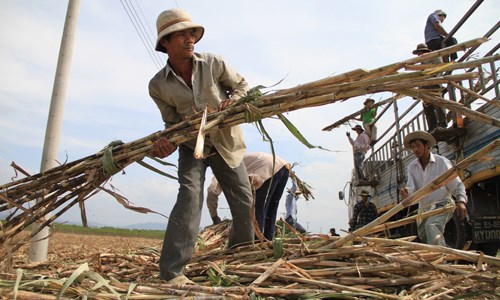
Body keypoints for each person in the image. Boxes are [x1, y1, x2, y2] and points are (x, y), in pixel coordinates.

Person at [149, 8, 254, 284]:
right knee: (189, 197)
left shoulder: (213, 63)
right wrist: (166, 143)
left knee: (243, 200)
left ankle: (238, 260)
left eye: (191, 33)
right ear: (165, 43)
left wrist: (235, 101)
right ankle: (172, 273)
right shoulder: (157, 85)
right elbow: (171, 124)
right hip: (190, 146)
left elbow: (242, 85)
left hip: (224, 141)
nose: (189, 39)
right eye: (181, 35)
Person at [400, 131, 467, 246]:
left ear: (427, 146)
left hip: (442, 205)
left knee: (431, 226)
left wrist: (461, 202)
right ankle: (438, 257)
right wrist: (407, 193)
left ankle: (442, 261)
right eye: (413, 147)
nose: (415, 149)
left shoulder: (442, 162)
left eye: (418, 146)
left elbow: (456, 184)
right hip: (424, 209)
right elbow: (411, 188)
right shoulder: (412, 167)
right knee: (424, 235)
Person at [206, 152, 291, 240]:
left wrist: (214, 216)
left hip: (268, 166)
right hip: (283, 166)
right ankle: (268, 240)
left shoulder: (222, 168)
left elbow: (212, 191)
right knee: (272, 208)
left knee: (258, 207)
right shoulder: (236, 159)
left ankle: (257, 241)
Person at [411, 43, 446, 132]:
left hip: (433, 84)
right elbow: (420, 76)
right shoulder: (423, 62)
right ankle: (432, 127)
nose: (419, 55)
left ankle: (442, 124)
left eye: (419, 53)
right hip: (425, 87)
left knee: (438, 103)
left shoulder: (435, 57)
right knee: (427, 107)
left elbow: (437, 70)